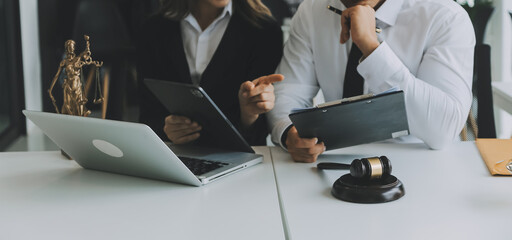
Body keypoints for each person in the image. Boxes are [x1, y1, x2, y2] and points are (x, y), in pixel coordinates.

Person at [267, 0, 475, 162]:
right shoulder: (312, 10)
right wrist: (288, 132)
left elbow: (443, 129)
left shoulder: (445, 16)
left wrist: (371, 49)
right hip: (330, 162)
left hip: (422, 163)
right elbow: (289, 90)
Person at [137, 0, 283, 146]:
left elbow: (259, 132)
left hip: (238, 158)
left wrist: (248, 115)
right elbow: (148, 114)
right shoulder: (153, 29)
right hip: (174, 156)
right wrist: (166, 129)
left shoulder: (265, 31)